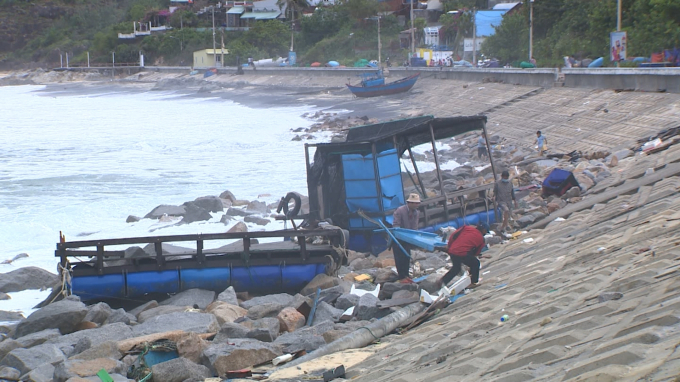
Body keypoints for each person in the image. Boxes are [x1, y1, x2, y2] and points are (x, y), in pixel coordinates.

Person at [436, 222, 489, 289]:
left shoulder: (466, 228)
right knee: (475, 263)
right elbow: (476, 253)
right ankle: (473, 282)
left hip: (452, 250)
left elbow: (454, 235)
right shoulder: (481, 239)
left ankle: (442, 282)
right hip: (462, 253)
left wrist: (450, 246)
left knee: (456, 268)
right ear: (484, 230)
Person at [391, 193, 421, 283]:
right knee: (399, 257)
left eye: (417, 203)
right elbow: (396, 225)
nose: (416, 205)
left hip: (408, 238)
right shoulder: (400, 211)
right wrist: (402, 234)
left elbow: (414, 227)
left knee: (407, 256)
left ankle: (406, 275)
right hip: (398, 238)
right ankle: (401, 277)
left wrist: (414, 238)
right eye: (414, 203)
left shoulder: (416, 213)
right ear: (409, 203)